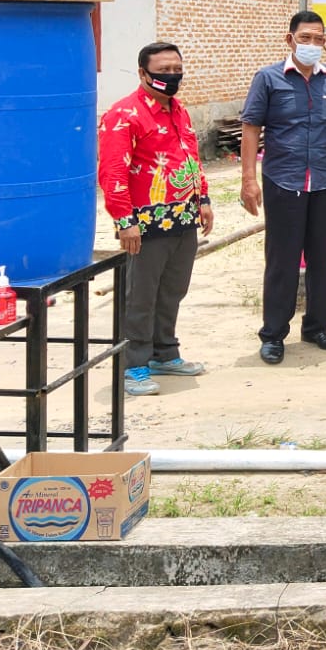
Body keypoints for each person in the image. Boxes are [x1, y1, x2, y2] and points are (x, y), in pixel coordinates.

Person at [97, 42, 212, 397]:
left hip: (183, 217)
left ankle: (165, 353)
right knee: (140, 296)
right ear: (143, 74)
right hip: (145, 224)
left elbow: (189, 157)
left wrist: (203, 198)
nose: (172, 76)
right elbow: (112, 170)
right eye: (163, 70)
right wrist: (124, 219)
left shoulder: (179, 110)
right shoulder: (123, 115)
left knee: (173, 290)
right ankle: (134, 365)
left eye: (177, 69)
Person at [240, 11, 326, 365]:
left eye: (318, 39)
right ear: (289, 39)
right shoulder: (269, 78)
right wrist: (247, 180)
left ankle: (317, 327)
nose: (312, 44)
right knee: (283, 261)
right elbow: (250, 126)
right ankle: (274, 334)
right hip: (283, 180)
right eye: (305, 38)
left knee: (322, 259)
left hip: (325, 180)